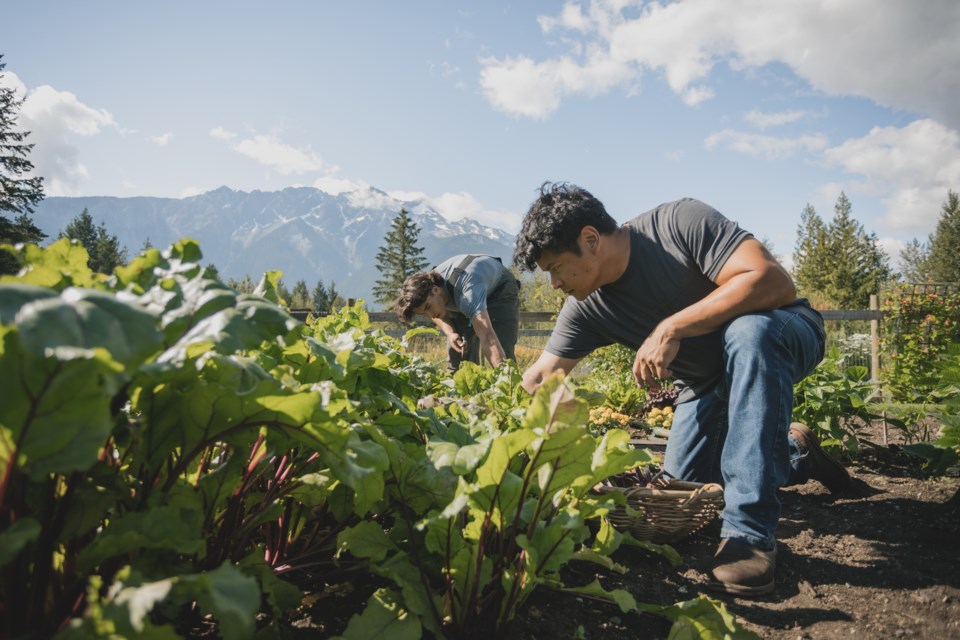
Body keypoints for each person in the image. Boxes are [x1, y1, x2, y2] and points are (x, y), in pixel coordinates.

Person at [514, 182, 850, 596]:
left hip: (781, 331)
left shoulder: (677, 224)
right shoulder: (585, 308)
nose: (554, 283)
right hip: (707, 385)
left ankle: (750, 534)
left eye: (556, 267)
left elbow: (773, 281)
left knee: (748, 333)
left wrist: (671, 326)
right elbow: (541, 378)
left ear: (590, 239)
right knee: (683, 496)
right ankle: (796, 453)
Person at [396, 254, 520, 372]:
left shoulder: (467, 295)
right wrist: (451, 332)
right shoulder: (430, 287)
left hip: (499, 288)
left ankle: (511, 388)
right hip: (462, 293)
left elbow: (487, 336)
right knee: (458, 351)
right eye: (424, 313)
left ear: (436, 289)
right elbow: (437, 315)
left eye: (428, 307)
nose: (431, 315)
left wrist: (505, 380)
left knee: (503, 348)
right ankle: (464, 389)